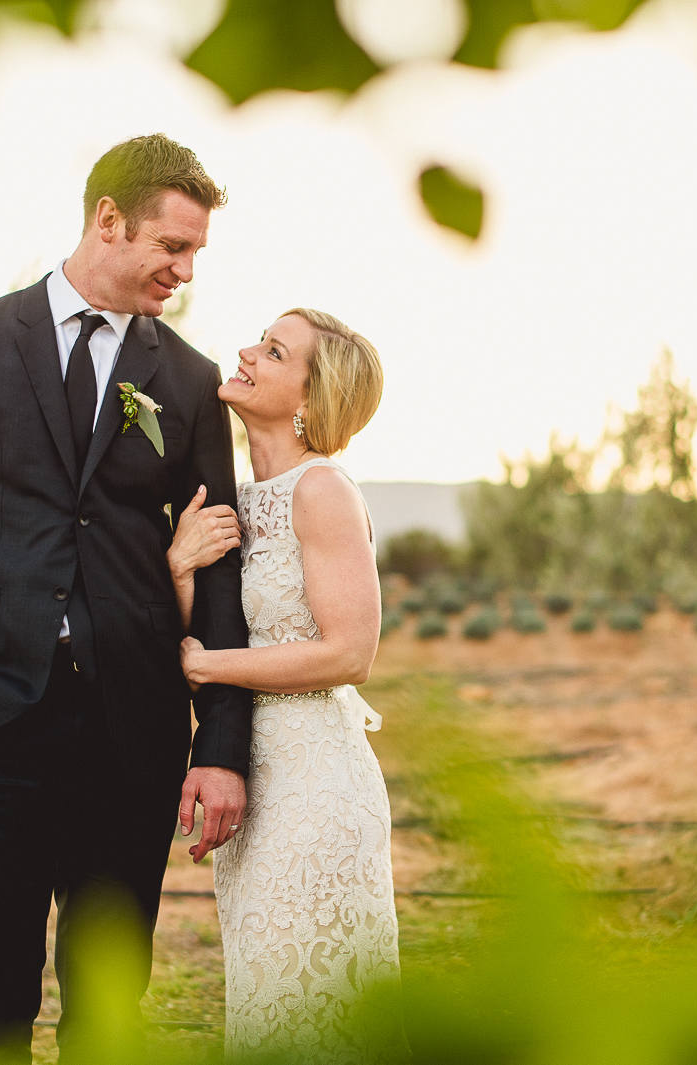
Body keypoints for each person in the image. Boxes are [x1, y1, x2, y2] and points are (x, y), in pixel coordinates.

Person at [0, 134, 252, 1064]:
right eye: (172, 246)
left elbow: (220, 571)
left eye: (197, 252)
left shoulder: (193, 380)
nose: (184, 268)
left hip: (132, 732)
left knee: (107, 1005)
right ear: (107, 220)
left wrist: (218, 745)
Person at [167, 308, 406, 1062]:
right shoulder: (237, 496)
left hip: (317, 790)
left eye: (273, 351)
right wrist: (178, 567)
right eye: (259, 341)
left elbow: (349, 652)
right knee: (268, 1006)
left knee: (314, 1008)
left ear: (309, 396)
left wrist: (209, 668)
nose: (246, 353)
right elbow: (205, 627)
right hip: (254, 782)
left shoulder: (323, 490)